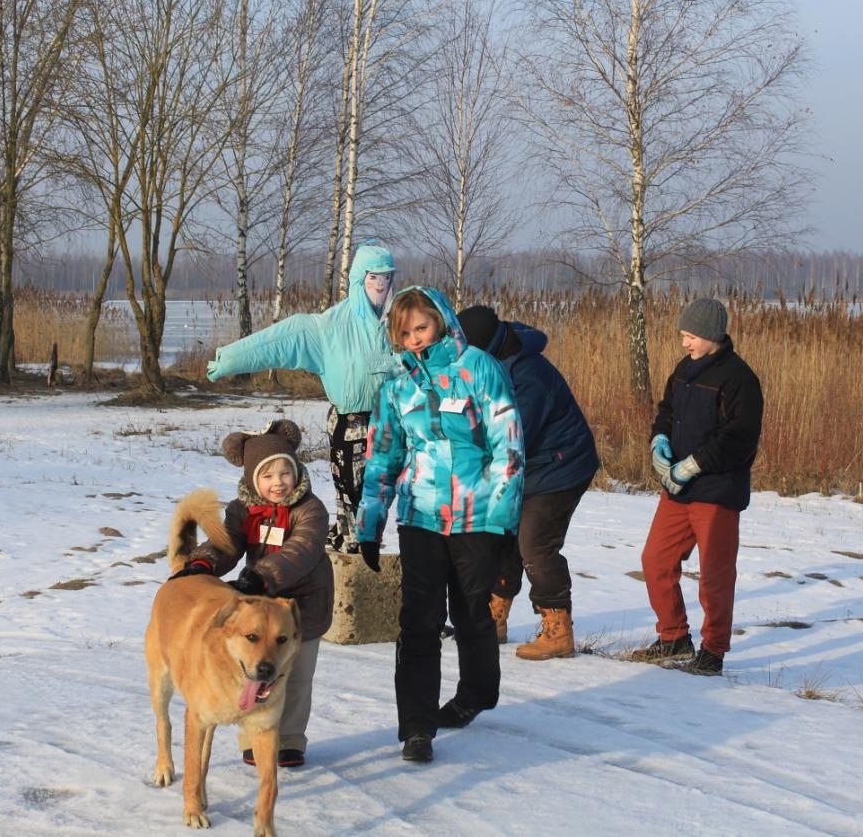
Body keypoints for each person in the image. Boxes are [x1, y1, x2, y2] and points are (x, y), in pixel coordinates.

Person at [355, 287, 524, 763]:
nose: (414, 339)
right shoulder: (396, 387)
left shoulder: (479, 368)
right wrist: (370, 523)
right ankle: (416, 727)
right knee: (419, 620)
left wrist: (504, 522)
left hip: (477, 515)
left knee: (471, 613)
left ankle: (476, 693)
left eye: (421, 328)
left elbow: (508, 448)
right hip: (421, 515)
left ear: (442, 321)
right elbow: (383, 456)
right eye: (404, 332)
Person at [206, 243, 397, 560]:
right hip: (351, 421)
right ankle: (352, 541)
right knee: (352, 487)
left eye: (387, 277)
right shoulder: (329, 327)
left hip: (390, 421)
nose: (380, 285)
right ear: (359, 279)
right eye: (373, 277)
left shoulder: (399, 321)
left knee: (382, 489)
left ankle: (365, 539)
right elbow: (280, 341)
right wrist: (228, 360)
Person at [173, 419, 332, 766]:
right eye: (267, 475)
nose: (278, 483)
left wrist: (260, 576)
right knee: (255, 669)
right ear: (252, 479)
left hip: (304, 604)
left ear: (297, 472)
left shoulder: (310, 509)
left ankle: (290, 739)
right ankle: (253, 735)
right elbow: (226, 543)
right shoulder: (242, 509)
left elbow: (301, 550)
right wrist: (202, 562)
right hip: (260, 606)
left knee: (296, 676)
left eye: (285, 473)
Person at [456, 305, 599, 661]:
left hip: (560, 467)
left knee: (535, 543)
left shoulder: (528, 377)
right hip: (528, 466)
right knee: (503, 535)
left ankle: (558, 630)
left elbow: (512, 437)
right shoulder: (491, 365)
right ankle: (492, 619)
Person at [638, 298, 763, 676]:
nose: (684, 343)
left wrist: (694, 464)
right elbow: (666, 411)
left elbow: (740, 438)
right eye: (682, 335)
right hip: (677, 489)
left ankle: (713, 650)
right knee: (655, 560)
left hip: (717, 492)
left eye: (690, 336)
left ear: (712, 335)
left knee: (714, 575)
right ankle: (673, 636)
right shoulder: (684, 369)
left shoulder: (740, 379)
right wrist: (658, 440)